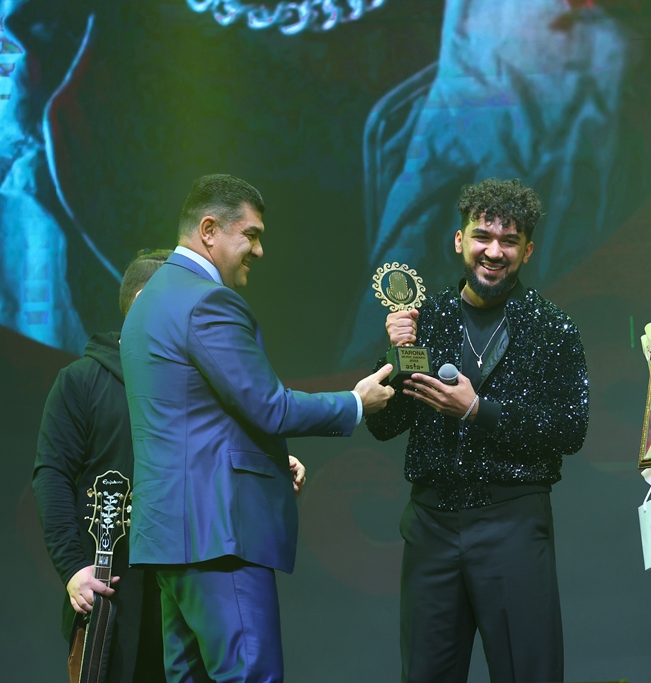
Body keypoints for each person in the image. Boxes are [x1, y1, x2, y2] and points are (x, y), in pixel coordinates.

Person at [119, 174, 395, 682]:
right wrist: (355, 404)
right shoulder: (207, 301)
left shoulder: (151, 299)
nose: (260, 250)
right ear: (209, 230)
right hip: (218, 534)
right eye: (251, 234)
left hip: (169, 536)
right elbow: (269, 406)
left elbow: (190, 417)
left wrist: (267, 459)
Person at [366, 177, 589, 683]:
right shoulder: (426, 320)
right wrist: (396, 355)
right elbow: (385, 426)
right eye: (482, 236)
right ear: (459, 240)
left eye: (509, 241)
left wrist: (477, 410)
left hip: (512, 522)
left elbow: (570, 428)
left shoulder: (551, 327)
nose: (493, 251)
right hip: (431, 524)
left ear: (527, 250)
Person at [33, 248, 171, 682]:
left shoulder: (191, 384)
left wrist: (275, 461)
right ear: (145, 301)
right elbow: (51, 474)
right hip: (112, 594)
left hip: (182, 595)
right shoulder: (81, 381)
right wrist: (73, 568)